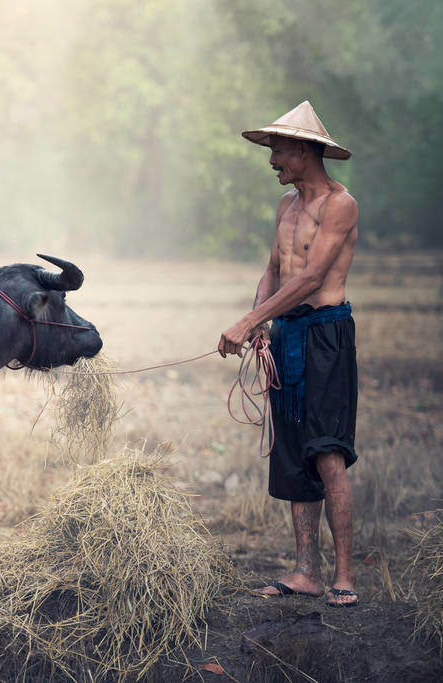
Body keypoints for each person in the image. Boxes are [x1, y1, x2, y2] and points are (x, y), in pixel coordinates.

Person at [218, 101, 360, 607]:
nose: (272, 159)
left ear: (303, 149)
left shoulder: (339, 204)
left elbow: (310, 278)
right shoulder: (286, 207)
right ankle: (306, 572)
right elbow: (275, 272)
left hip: (325, 336)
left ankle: (344, 575)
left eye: (278, 149)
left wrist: (250, 321)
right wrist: (261, 319)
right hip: (286, 336)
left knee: (326, 451)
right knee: (292, 449)